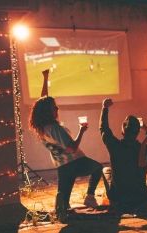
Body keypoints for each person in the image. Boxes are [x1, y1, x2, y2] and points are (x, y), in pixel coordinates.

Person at [29, 69, 103, 222]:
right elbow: (72, 148)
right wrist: (82, 131)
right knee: (98, 168)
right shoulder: (55, 128)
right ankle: (89, 197)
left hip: (63, 166)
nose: (57, 108)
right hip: (75, 161)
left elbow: (43, 100)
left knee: (64, 203)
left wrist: (45, 78)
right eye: (54, 107)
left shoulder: (41, 127)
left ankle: (62, 210)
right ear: (48, 111)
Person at [99, 98, 147, 214]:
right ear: (138, 132)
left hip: (119, 199)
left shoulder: (114, 146)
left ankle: (115, 202)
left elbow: (103, 129)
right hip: (140, 199)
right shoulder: (144, 149)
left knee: (105, 170)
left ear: (123, 131)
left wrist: (105, 108)